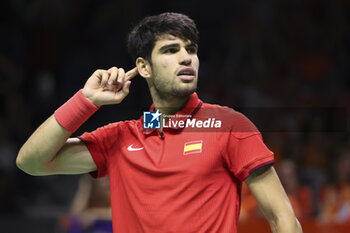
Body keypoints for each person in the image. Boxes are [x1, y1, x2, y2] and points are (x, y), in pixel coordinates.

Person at [16, 12, 302, 233]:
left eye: (191, 50)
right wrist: (86, 100)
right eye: (170, 50)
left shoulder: (230, 126)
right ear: (143, 67)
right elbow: (31, 162)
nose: (186, 59)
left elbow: (282, 218)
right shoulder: (121, 138)